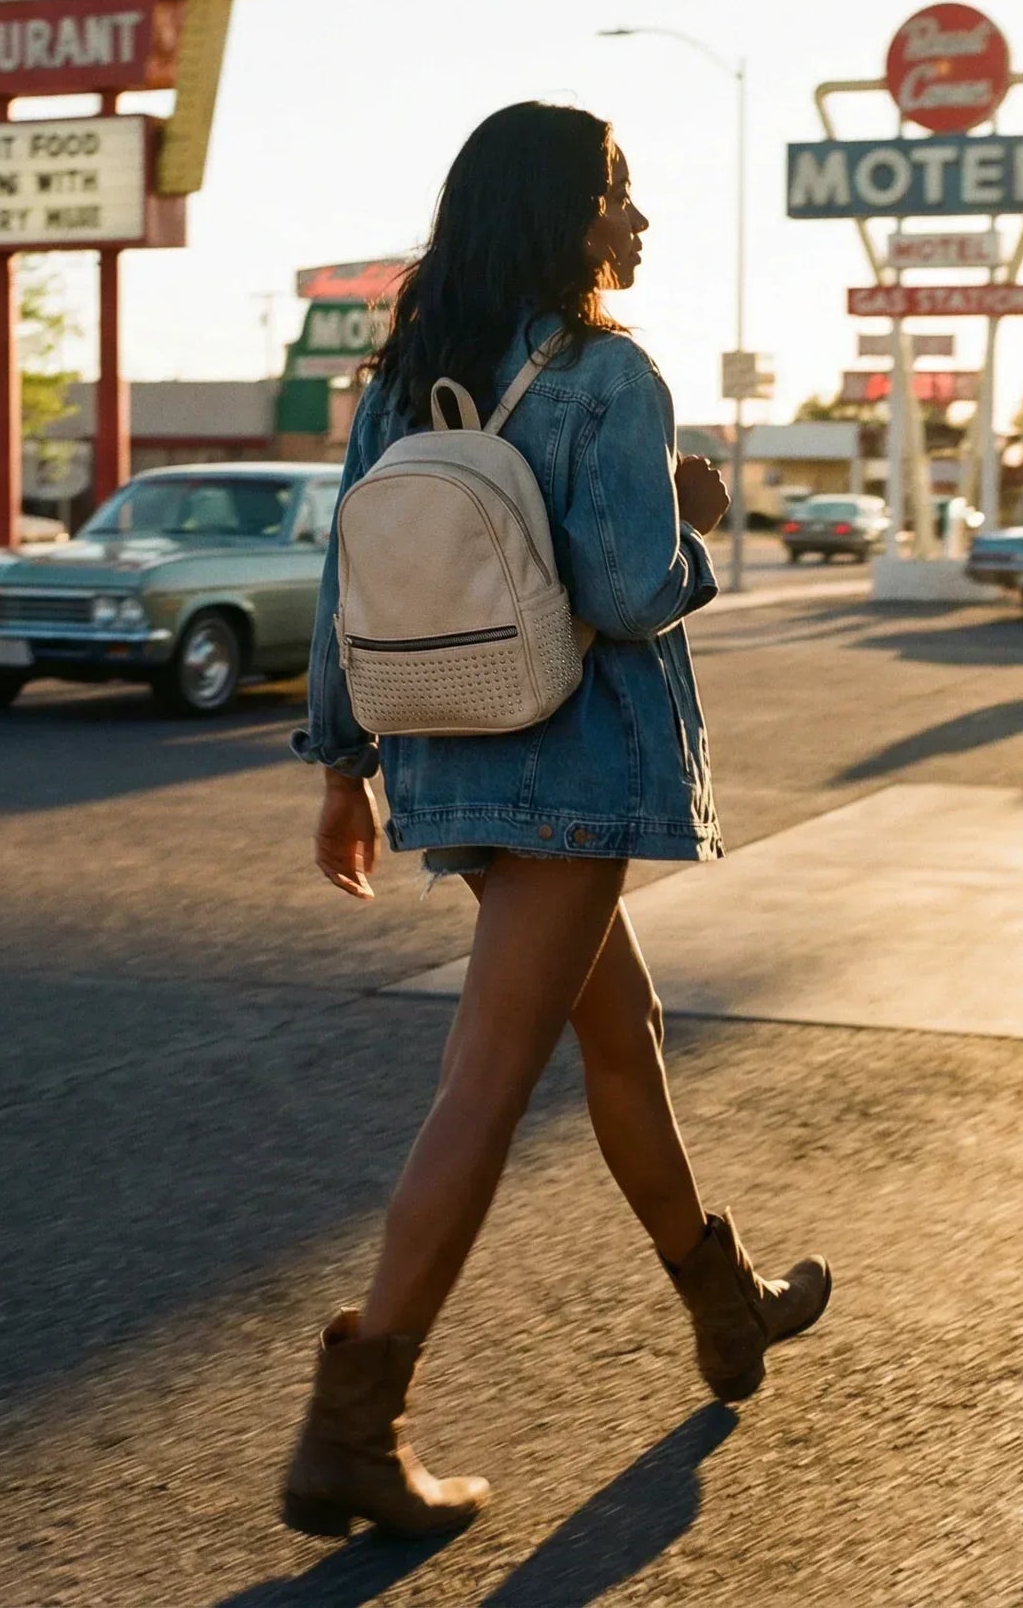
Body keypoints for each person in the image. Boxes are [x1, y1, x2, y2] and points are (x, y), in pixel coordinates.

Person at [283, 102, 831, 1540]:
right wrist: (698, 516)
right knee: (483, 1080)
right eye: (618, 194)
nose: (637, 219)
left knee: (620, 1034)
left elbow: (352, 579)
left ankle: (727, 1306)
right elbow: (630, 590)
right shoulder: (608, 377)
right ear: (559, 214)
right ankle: (355, 1421)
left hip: (453, 750)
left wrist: (345, 769)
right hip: (574, 765)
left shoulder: (404, 379)